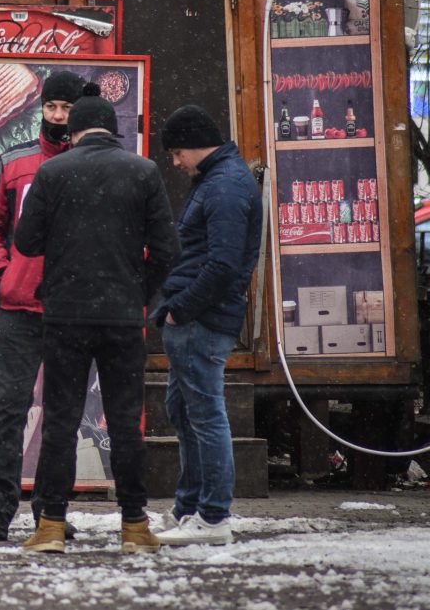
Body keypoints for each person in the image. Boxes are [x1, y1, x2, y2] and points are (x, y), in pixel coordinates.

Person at [13, 84, 180, 555]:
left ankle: (49, 525)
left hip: (65, 315)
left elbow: (26, 243)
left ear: (73, 130)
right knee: (126, 423)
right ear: (114, 128)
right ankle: (134, 526)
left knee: (61, 420)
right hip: (123, 318)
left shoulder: (53, 172)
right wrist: (138, 293)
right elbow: (167, 251)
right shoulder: (144, 172)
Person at [0, 70, 81, 542]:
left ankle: (51, 510)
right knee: (9, 406)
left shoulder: (90, 165)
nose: (57, 117)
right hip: (20, 306)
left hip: (73, 310)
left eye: (66, 110)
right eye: (51, 108)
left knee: (62, 412)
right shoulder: (14, 162)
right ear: (40, 109)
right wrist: (4, 273)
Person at [151, 105, 262, 547]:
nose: (175, 163)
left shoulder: (224, 187)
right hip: (198, 317)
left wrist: (181, 308)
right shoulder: (220, 181)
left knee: (204, 416)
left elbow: (222, 264)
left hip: (200, 320)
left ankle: (213, 516)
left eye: (177, 153)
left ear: (197, 144)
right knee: (186, 412)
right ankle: (191, 509)